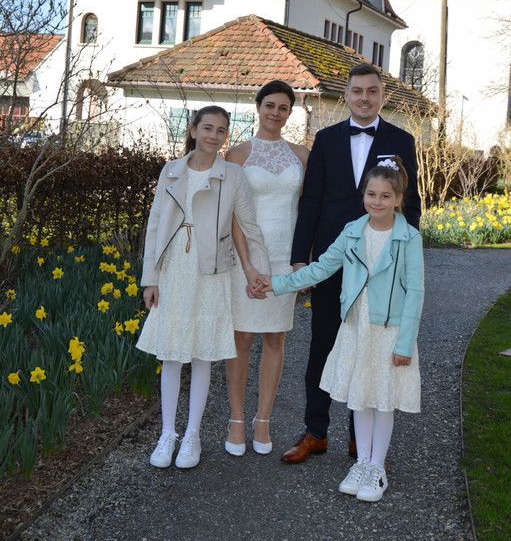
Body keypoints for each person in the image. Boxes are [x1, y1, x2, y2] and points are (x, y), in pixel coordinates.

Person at [256, 157, 424, 502]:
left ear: (398, 199)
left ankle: (377, 467)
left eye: (385, 196)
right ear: (363, 196)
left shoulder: (408, 238)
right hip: (357, 327)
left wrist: (405, 343)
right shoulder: (352, 231)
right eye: (371, 194)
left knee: (382, 399)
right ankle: (361, 464)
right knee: (361, 396)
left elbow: (415, 293)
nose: (377, 201)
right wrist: (276, 284)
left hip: (389, 331)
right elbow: (320, 269)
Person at [282, 62, 421, 464]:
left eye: (372, 91)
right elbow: (311, 200)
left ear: (382, 95)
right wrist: (300, 258)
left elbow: (411, 204)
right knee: (323, 345)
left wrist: (401, 254)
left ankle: (361, 438)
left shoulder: (401, 140)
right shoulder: (325, 139)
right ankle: (316, 431)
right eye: (357, 91)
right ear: (346, 95)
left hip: (379, 262)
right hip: (333, 255)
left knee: (372, 346)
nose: (364, 98)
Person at [136, 105, 269, 470]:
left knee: (201, 354)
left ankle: (192, 435)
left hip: (211, 271)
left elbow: (249, 225)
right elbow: (155, 224)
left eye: (221, 130)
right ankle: (167, 434)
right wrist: (150, 277)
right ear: (193, 130)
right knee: (171, 353)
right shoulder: (171, 170)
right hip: (173, 268)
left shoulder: (233, 175)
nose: (214, 135)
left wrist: (259, 271)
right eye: (207, 128)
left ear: (226, 135)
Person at [224, 80, 309, 456]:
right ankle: (236, 420)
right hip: (247, 259)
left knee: (276, 339)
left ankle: (263, 421)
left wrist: (302, 263)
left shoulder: (302, 156)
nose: (276, 112)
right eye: (270, 105)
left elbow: (307, 211)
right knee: (241, 339)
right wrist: (247, 266)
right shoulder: (238, 154)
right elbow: (231, 215)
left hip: (284, 260)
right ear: (258, 107)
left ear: (290, 113)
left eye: (283, 107)